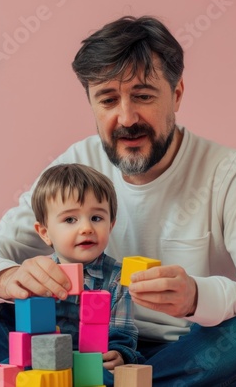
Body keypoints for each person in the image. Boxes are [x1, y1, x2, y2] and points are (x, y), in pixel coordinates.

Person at [0, 15, 236, 386]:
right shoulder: (76, 165)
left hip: (182, 353)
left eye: (143, 96)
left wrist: (198, 296)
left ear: (177, 93)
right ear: (91, 102)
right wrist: (7, 278)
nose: (127, 117)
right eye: (108, 99)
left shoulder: (227, 172)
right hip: (80, 351)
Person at [31, 162, 143, 381]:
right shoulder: (38, 274)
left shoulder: (119, 276)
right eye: (70, 219)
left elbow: (122, 332)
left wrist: (119, 354)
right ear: (45, 233)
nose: (86, 228)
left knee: (111, 375)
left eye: (96, 218)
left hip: (94, 363)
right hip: (47, 361)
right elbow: (31, 331)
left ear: (110, 225)